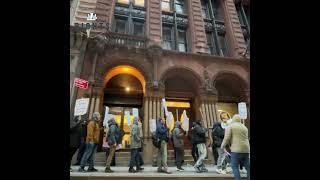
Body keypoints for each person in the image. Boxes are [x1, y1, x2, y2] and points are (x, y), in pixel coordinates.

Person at [221, 114, 250, 180]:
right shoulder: (244, 127)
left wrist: (222, 146)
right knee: (248, 167)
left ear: (233, 119)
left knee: (234, 166)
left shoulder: (230, 126)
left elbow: (226, 138)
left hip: (236, 150)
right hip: (246, 150)